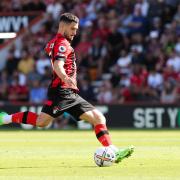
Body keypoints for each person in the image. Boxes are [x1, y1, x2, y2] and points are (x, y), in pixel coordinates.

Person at [0, 13, 134, 163]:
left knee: (98, 118)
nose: (75, 32)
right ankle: (5, 118)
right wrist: (64, 77)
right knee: (42, 122)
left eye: (76, 29)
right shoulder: (63, 44)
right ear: (62, 26)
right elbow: (58, 64)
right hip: (62, 91)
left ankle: (114, 151)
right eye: (72, 29)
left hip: (68, 92)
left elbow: (48, 49)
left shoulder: (55, 42)